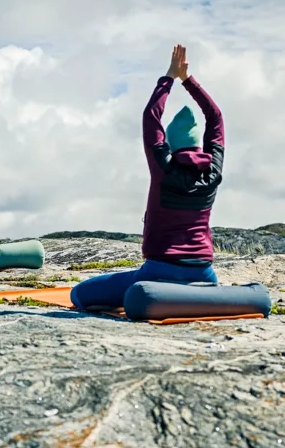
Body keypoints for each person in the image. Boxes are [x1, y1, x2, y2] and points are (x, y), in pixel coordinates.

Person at [71, 44, 225, 309]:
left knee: (79, 294)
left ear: (172, 145)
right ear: (199, 145)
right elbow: (216, 118)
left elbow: (150, 116)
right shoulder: (213, 171)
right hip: (203, 273)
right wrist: (189, 81)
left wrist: (170, 77)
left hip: (158, 271)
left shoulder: (164, 167)